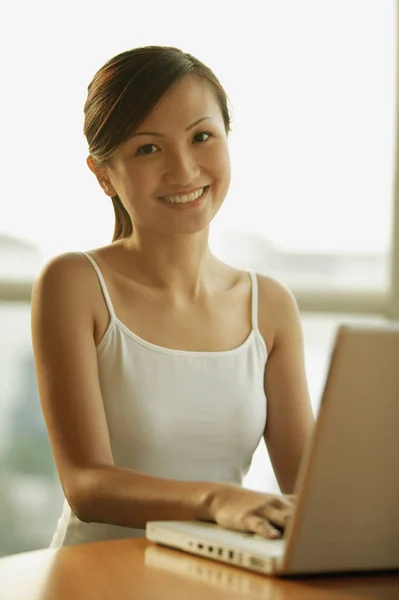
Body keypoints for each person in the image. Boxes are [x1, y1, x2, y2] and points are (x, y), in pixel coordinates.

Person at [31, 46, 314, 548]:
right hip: (93, 579)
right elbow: (86, 486)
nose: (183, 169)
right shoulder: (74, 284)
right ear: (103, 174)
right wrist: (214, 499)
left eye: (201, 137)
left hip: (217, 576)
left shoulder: (269, 305)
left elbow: (314, 495)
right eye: (148, 148)